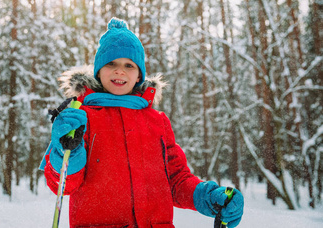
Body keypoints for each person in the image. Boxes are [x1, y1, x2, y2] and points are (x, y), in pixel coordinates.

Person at [41, 18, 244, 228]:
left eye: (129, 65)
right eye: (111, 63)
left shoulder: (158, 122)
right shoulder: (81, 118)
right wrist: (67, 152)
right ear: (98, 72)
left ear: (139, 74)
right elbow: (62, 185)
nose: (120, 71)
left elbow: (176, 179)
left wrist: (208, 196)